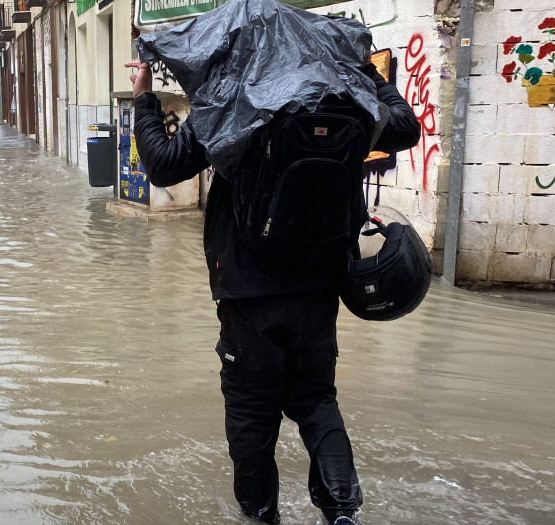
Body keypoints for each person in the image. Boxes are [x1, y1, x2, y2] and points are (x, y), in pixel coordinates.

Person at [124, 45, 419, 525]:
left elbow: (161, 164)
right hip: (319, 285)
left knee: (251, 418)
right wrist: (366, 73)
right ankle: (343, 511)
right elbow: (406, 126)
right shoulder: (342, 97)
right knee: (317, 400)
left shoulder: (233, 100)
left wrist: (144, 99)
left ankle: (261, 516)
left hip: (247, 293)